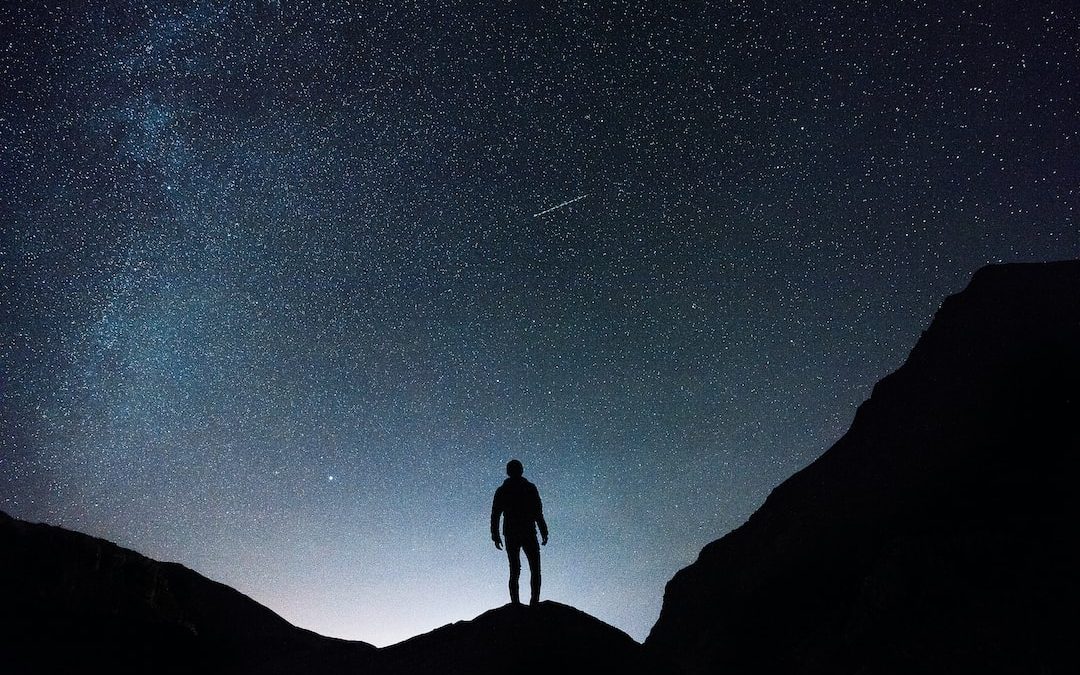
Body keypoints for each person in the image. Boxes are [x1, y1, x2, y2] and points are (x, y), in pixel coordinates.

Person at [490, 459, 548, 605]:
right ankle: (526, 602)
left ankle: (526, 602)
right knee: (525, 569)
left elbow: (537, 512)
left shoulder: (511, 489)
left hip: (518, 532)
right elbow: (496, 514)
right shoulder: (525, 488)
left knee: (521, 569)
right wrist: (495, 534)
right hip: (520, 532)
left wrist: (543, 530)